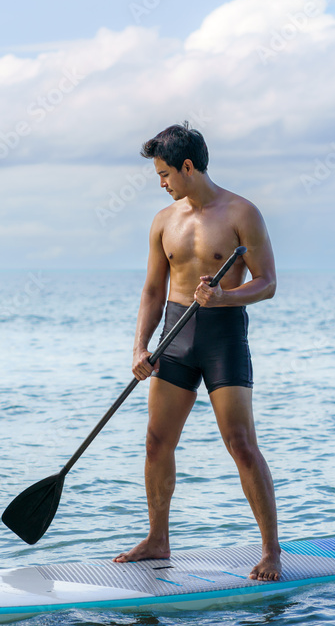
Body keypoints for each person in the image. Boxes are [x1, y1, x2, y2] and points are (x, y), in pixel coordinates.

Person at [113, 122, 281, 581]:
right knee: (156, 441)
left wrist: (225, 297)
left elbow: (267, 283)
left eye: (166, 174)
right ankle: (158, 538)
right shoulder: (164, 222)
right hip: (175, 334)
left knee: (241, 444)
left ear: (188, 167)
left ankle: (271, 550)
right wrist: (139, 347)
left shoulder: (242, 213)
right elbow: (152, 290)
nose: (162, 183)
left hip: (223, 336)